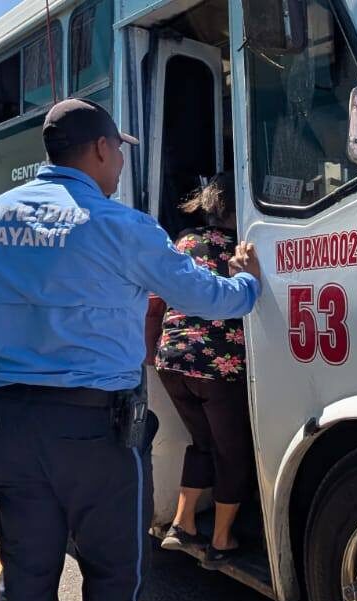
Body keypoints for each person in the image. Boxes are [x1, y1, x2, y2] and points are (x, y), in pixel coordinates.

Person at [0, 98, 262, 601]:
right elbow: (204, 296)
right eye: (118, 151)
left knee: (25, 578)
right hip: (97, 436)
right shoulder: (122, 225)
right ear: (99, 148)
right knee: (113, 578)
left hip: (8, 428)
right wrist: (248, 283)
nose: (120, 164)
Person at [152, 173, 252, 569]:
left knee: (203, 442)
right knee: (232, 452)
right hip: (216, 365)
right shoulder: (241, 250)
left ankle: (182, 523)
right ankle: (222, 540)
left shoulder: (184, 241)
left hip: (171, 359)